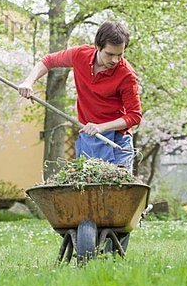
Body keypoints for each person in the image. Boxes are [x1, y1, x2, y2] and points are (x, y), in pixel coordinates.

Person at [18, 21, 142, 174]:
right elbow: (48, 61)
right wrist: (29, 82)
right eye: (110, 54)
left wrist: (101, 127)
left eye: (120, 54)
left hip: (116, 141)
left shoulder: (127, 75)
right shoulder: (80, 55)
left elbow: (134, 116)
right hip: (88, 137)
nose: (115, 60)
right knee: (87, 193)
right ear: (98, 46)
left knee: (117, 193)